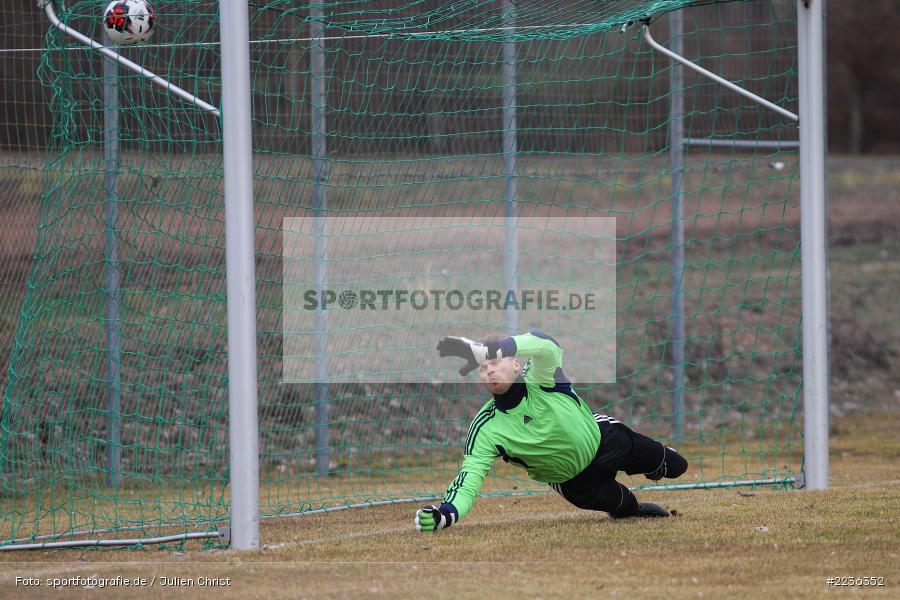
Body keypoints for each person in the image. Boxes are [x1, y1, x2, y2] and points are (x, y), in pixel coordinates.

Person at [415, 330, 688, 532]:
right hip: (574, 482)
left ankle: (655, 465)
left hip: (605, 441)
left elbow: (547, 344)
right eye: (483, 367)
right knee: (628, 509)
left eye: (496, 362)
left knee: (677, 466)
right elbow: (469, 478)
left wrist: (497, 347)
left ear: (516, 364)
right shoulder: (485, 427)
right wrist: (445, 514)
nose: (490, 371)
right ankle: (627, 505)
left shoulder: (540, 376)